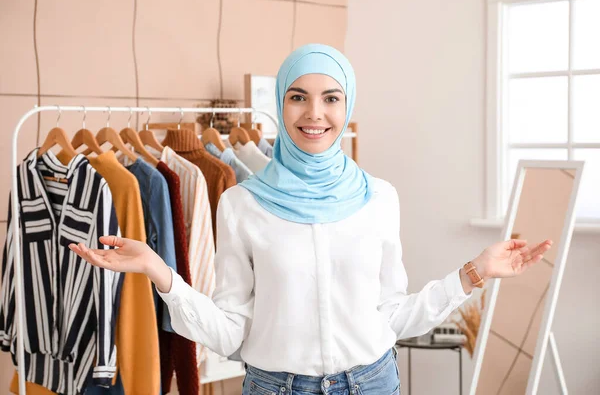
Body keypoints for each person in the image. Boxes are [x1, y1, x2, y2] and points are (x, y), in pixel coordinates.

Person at [69, 44, 552, 395]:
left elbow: (392, 315)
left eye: (331, 98)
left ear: (348, 106)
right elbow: (231, 332)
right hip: (275, 387)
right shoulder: (241, 204)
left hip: (371, 383)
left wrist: (476, 272)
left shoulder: (380, 198)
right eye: (298, 97)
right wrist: (160, 271)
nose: (314, 113)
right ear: (280, 104)